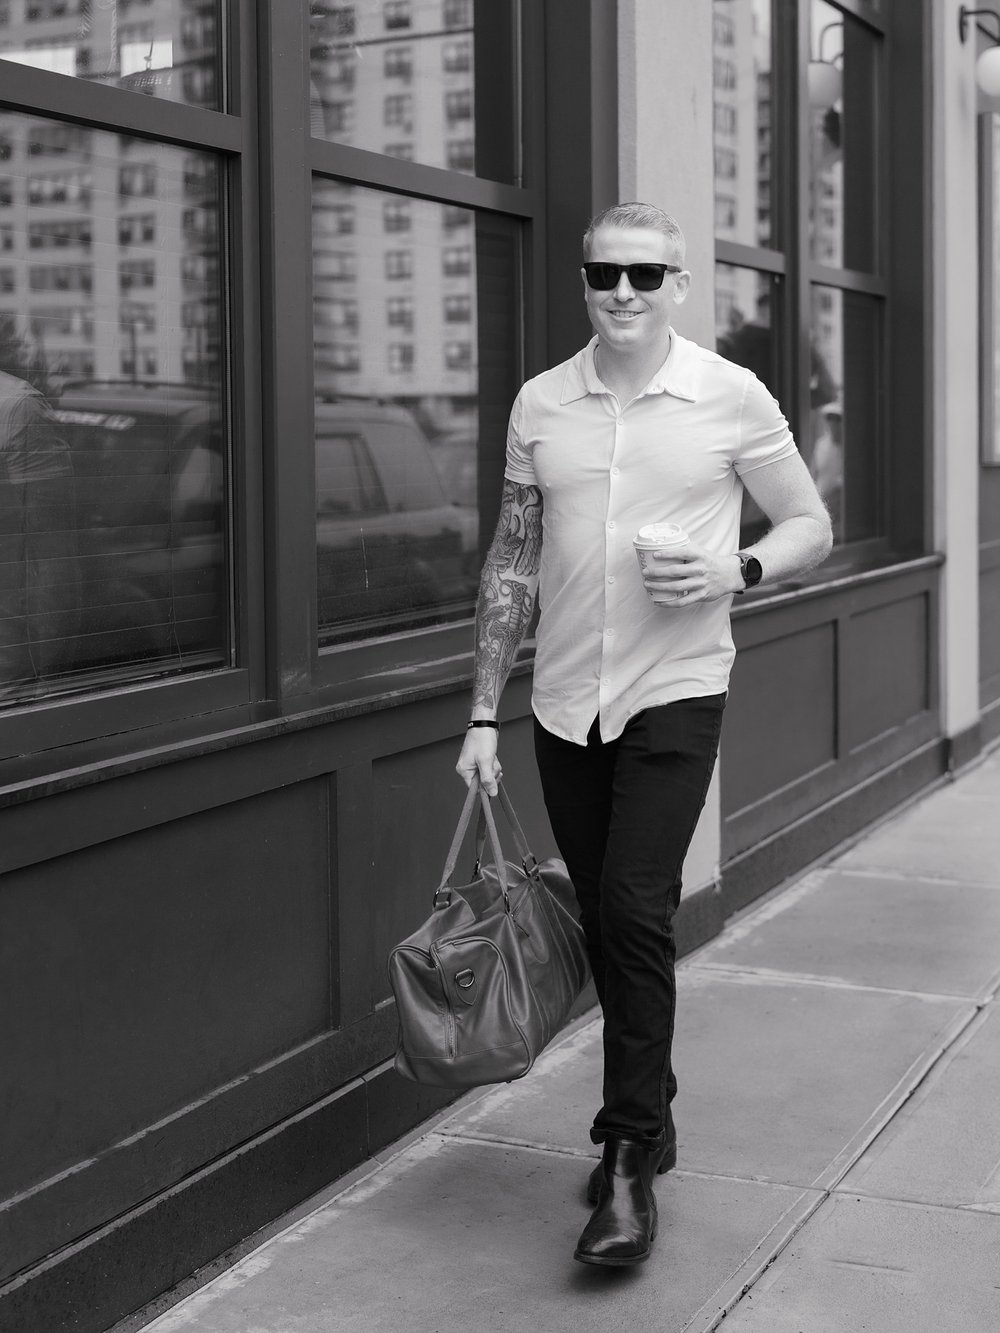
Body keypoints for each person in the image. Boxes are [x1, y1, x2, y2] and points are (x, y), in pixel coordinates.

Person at [456, 202, 832, 1268]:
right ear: (584, 282)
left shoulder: (729, 397)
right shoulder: (542, 403)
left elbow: (810, 522)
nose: (622, 292)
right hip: (565, 703)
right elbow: (512, 562)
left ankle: (624, 1160)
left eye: (644, 275)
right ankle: (652, 1104)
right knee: (613, 917)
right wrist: (484, 709)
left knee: (632, 904)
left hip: (677, 686)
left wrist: (737, 568)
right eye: (604, 275)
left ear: (677, 285)